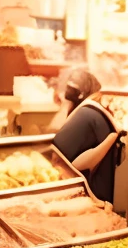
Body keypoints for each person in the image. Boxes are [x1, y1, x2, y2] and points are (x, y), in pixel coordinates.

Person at [50, 67, 122, 203]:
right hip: (104, 197)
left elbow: (59, 158)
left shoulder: (87, 114)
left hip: (94, 198)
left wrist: (65, 105)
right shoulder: (93, 112)